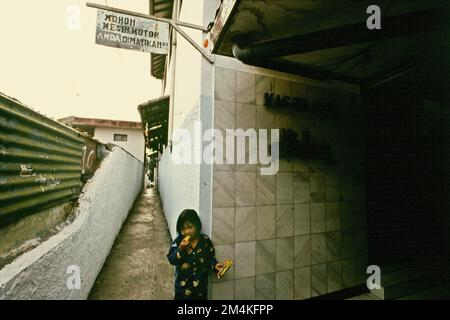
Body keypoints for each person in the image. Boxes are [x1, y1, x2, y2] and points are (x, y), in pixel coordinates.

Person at [167, 209, 223, 300]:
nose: (186, 231)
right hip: (182, 292)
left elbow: (210, 258)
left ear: (197, 225)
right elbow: (172, 259)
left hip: (200, 292)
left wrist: (215, 265)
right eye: (183, 229)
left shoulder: (205, 241)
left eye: (189, 227)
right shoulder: (178, 241)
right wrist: (180, 250)